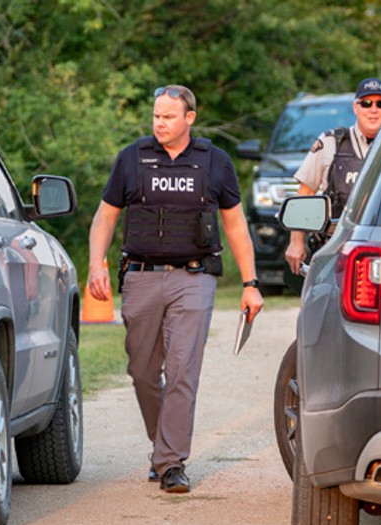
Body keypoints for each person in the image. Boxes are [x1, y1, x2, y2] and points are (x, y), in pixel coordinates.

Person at [87, 84, 264, 494]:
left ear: (189, 118)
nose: (159, 123)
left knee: (183, 371)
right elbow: (106, 215)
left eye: (168, 116)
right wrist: (95, 263)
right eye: (156, 115)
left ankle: (171, 464)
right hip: (142, 277)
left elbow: (235, 225)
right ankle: (162, 447)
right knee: (143, 372)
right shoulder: (131, 159)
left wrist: (250, 283)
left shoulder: (215, 163)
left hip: (194, 278)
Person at [284, 77, 381, 275]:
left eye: (380, 103)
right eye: (366, 103)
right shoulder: (331, 142)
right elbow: (306, 192)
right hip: (332, 250)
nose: (373, 109)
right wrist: (296, 242)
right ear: (355, 107)